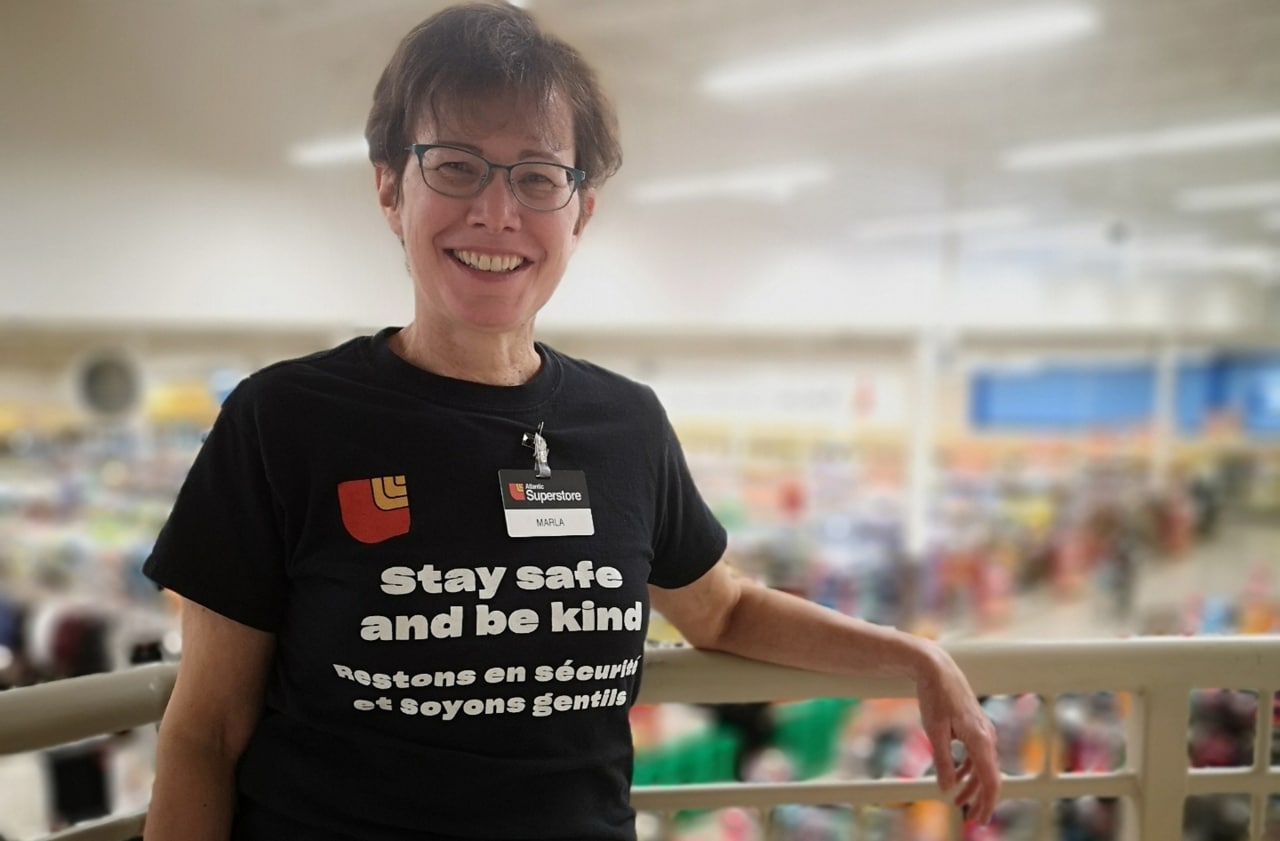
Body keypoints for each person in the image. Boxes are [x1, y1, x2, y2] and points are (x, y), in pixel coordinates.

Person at [140, 3, 1001, 839]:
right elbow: (205, 732)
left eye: (538, 175)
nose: (497, 212)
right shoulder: (282, 421)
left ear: (580, 211)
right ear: (388, 189)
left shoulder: (625, 425)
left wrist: (915, 654)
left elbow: (724, 612)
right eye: (456, 164)